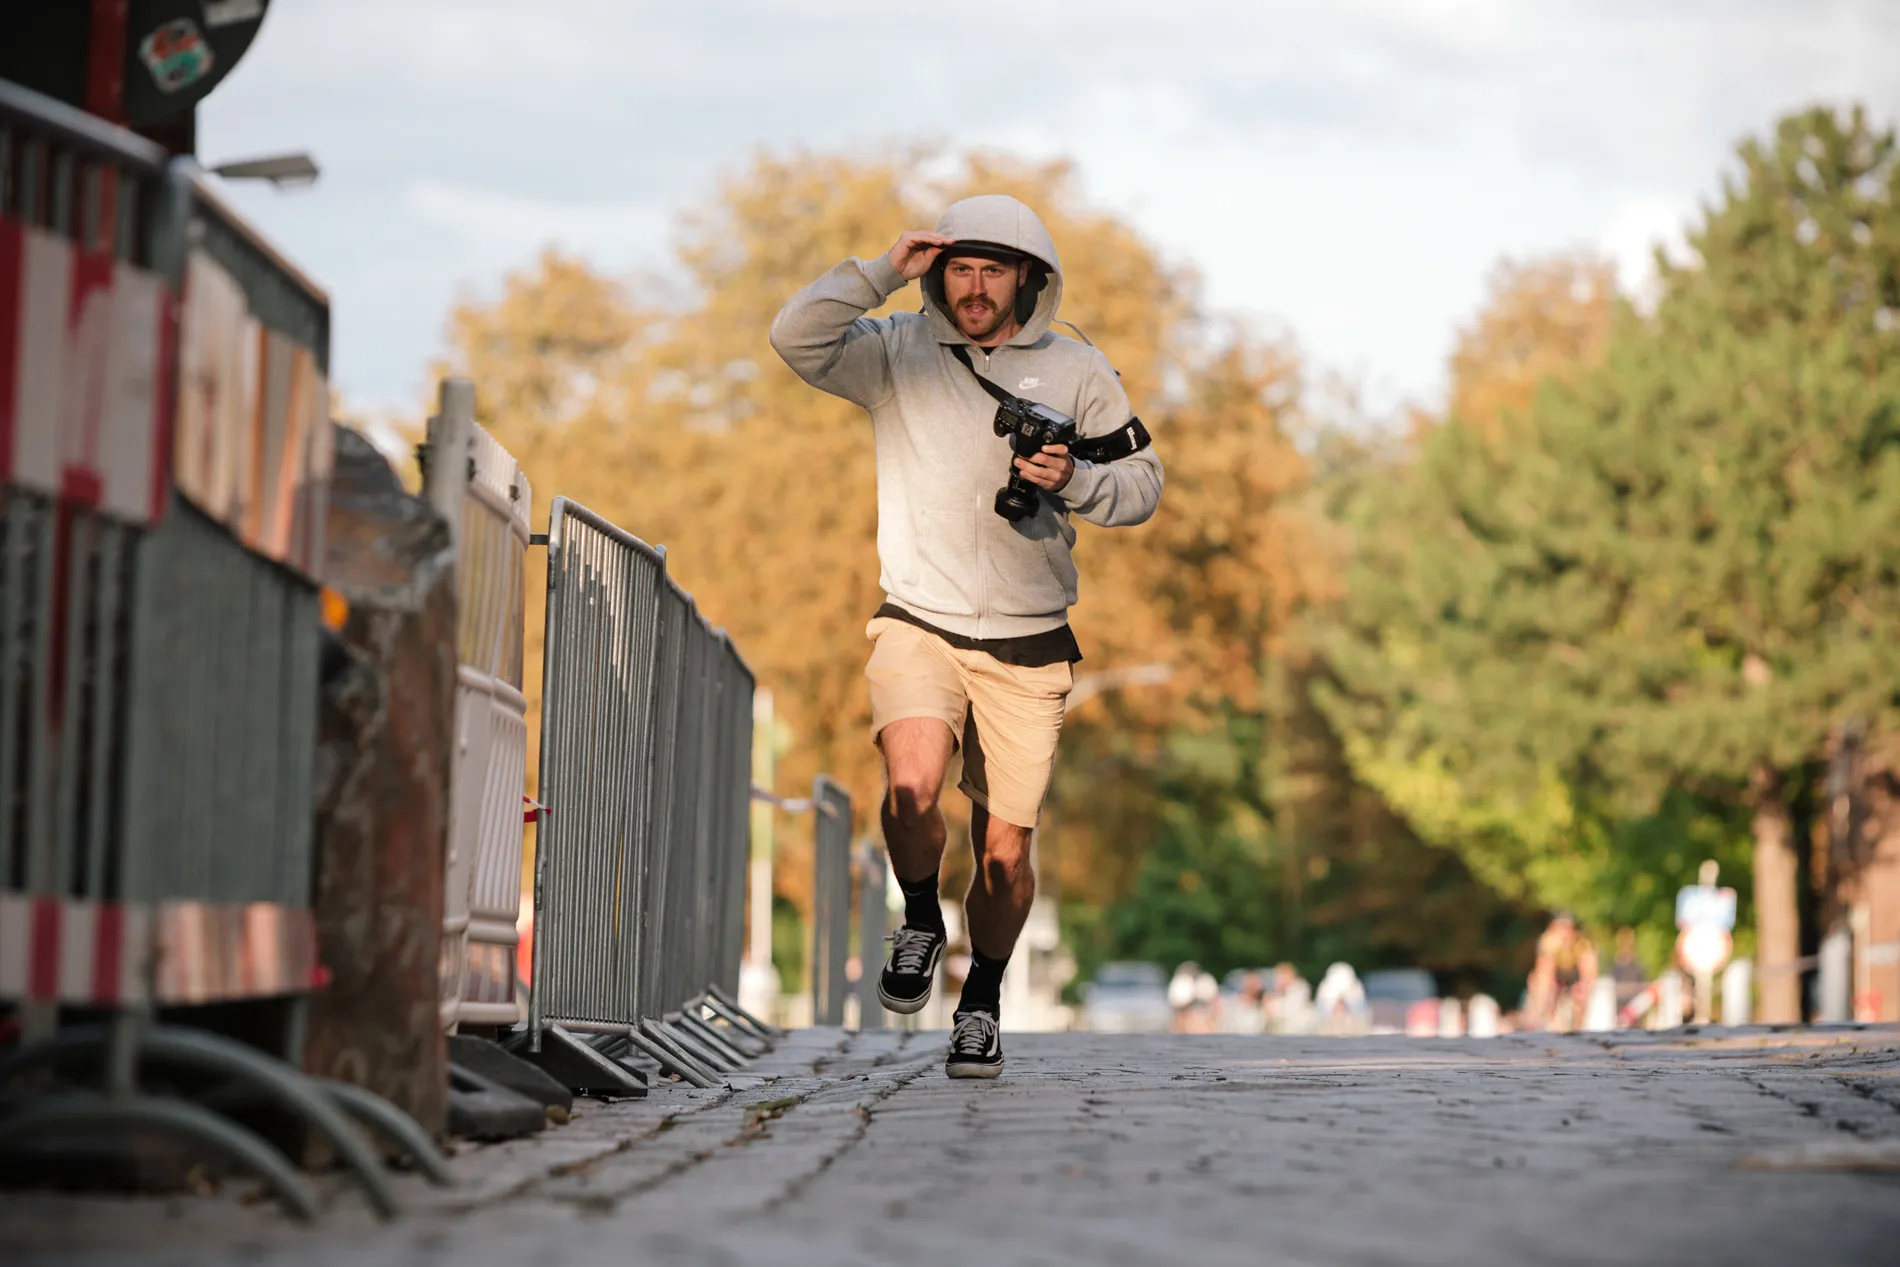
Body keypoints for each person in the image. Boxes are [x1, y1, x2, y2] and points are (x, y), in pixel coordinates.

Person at [770, 195, 1165, 1079]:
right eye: (960, 269)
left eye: (994, 271)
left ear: (1028, 276)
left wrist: (1079, 479)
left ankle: (980, 997)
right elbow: (795, 337)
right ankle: (918, 918)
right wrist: (881, 269)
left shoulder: (1078, 369)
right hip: (918, 616)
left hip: (1031, 640)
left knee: (1005, 854)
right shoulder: (895, 354)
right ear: (938, 272)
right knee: (911, 789)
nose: (976, 288)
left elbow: (1143, 483)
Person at [1527, 912, 1599, 1032]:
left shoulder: (1581, 943)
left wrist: (1583, 987)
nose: (1565, 933)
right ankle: (1550, 1023)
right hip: (1555, 974)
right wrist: (1548, 992)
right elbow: (1545, 970)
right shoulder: (1549, 941)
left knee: (1581, 992)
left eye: (1568, 928)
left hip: (1573, 973)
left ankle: (1578, 1027)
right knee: (1545, 989)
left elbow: (1589, 971)